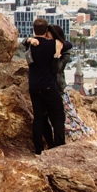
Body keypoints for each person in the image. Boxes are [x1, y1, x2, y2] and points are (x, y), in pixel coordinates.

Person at [26, 18, 66, 154]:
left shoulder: (31, 45)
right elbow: (69, 45)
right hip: (48, 85)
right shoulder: (53, 44)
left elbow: (22, 43)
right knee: (58, 115)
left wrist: (29, 40)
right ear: (47, 30)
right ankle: (59, 145)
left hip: (33, 85)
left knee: (38, 118)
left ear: (33, 29)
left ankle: (38, 149)